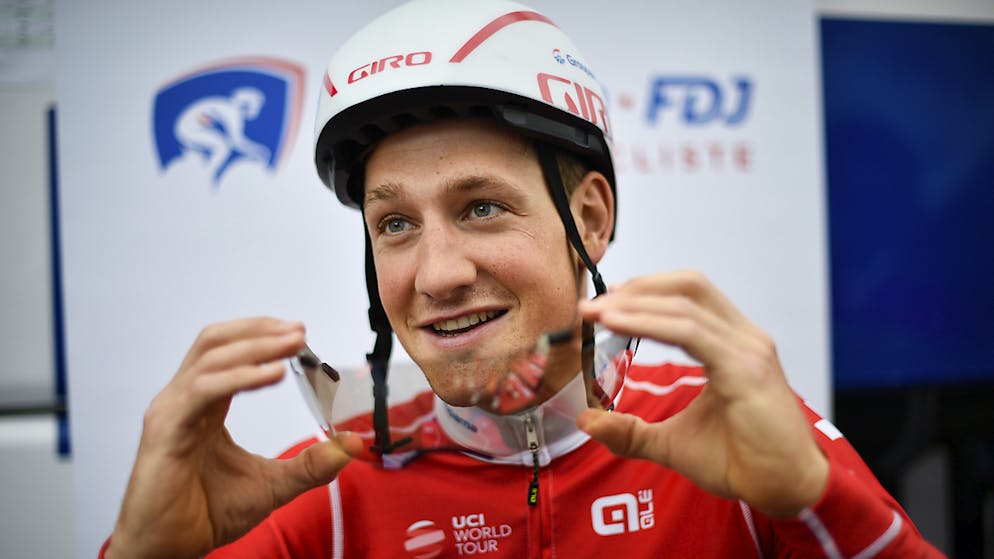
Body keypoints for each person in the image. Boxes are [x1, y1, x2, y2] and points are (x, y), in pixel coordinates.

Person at [102, 1, 944, 557]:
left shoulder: (738, 436)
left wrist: (817, 503)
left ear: (591, 219)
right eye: (395, 224)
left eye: (481, 207)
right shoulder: (318, 491)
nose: (436, 274)